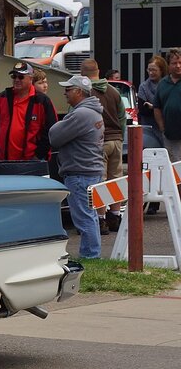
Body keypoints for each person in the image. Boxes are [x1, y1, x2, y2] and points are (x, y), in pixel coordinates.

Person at [49, 74, 105, 259]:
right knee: (90, 215)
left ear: (79, 92)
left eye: (68, 89)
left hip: (80, 172)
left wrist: (58, 124)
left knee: (83, 216)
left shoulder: (81, 114)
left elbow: (54, 137)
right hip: (90, 169)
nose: (65, 93)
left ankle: (90, 255)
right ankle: (92, 253)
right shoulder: (93, 112)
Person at [0, 61, 56, 162]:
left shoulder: (42, 101)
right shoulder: (2, 98)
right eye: (14, 76)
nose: (17, 80)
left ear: (31, 78)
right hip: (4, 160)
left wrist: (38, 156)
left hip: (32, 161)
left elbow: (51, 130)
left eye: (21, 77)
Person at [86, 59, 125, 231]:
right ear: (99, 70)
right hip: (116, 140)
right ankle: (115, 217)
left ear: (83, 73)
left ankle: (100, 220)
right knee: (115, 179)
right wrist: (120, 136)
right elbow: (122, 117)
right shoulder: (114, 91)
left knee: (99, 181)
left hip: (98, 142)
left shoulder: (86, 92)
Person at [153, 47, 181, 163]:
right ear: (168, 65)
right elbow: (157, 107)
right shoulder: (162, 84)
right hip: (170, 134)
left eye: (180, 63)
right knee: (174, 166)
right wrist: (162, 127)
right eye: (174, 63)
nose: (178, 66)